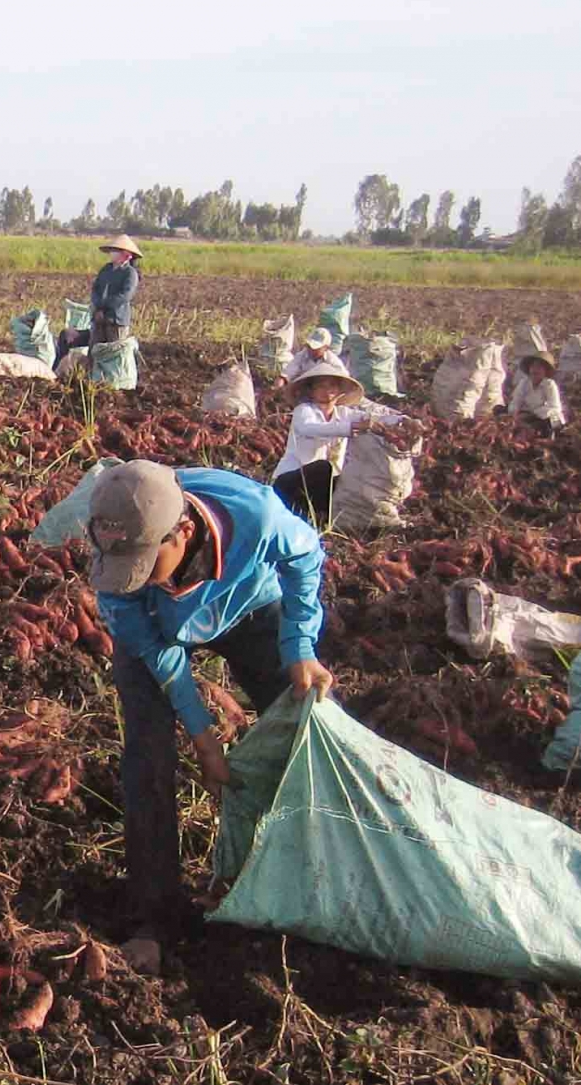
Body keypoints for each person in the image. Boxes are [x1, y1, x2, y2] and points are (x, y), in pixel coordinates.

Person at [87, 459, 334, 976]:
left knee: (306, 722)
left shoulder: (257, 516)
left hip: (248, 606)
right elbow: (157, 654)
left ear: (182, 532)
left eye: (144, 562)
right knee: (147, 757)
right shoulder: (118, 574)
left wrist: (299, 645)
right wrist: (202, 736)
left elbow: (305, 557)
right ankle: (155, 914)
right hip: (158, 633)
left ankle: (318, 877)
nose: (130, 579)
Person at [270, 361, 404, 524]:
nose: (327, 390)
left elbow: (376, 417)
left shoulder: (344, 413)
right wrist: (351, 427)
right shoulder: (304, 411)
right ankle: (310, 516)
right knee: (323, 467)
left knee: (348, 482)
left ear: (340, 391)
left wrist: (402, 421)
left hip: (320, 486)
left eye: (332, 385)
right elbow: (310, 428)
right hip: (290, 482)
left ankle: (324, 518)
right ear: (311, 391)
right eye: (321, 386)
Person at [56, 235, 140, 366]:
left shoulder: (130, 273)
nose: (112, 254)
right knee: (94, 351)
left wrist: (104, 309)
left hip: (116, 320)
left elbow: (125, 296)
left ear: (126, 254)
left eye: (116, 251)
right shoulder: (106, 269)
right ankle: (92, 377)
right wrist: (97, 306)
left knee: (113, 353)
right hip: (99, 317)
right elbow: (95, 289)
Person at [508, 348, 567, 434]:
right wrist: (515, 412)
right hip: (525, 415)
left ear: (545, 371)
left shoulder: (549, 384)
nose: (535, 370)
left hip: (543, 417)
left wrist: (533, 414)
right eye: (533, 367)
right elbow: (516, 401)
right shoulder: (524, 382)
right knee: (499, 410)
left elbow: (555, 407)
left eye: (539, 367)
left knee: (544, 424)